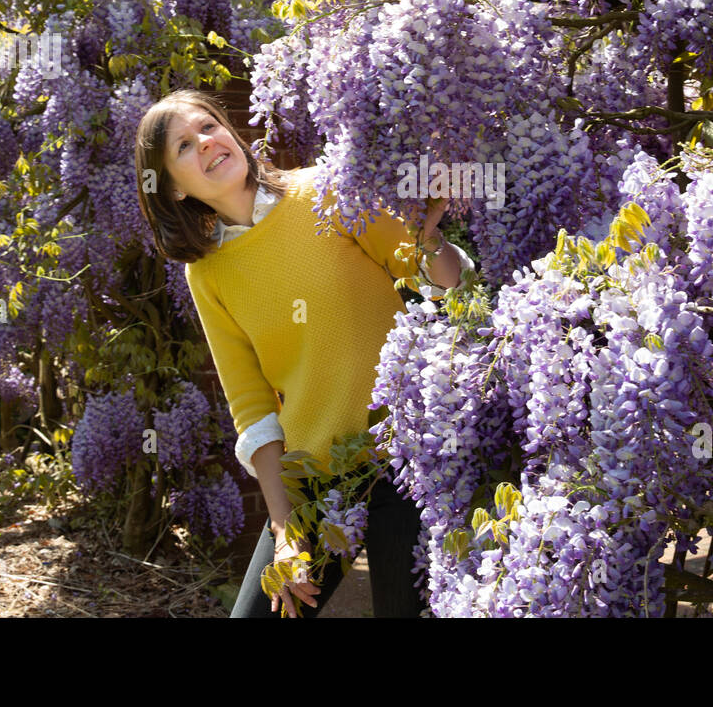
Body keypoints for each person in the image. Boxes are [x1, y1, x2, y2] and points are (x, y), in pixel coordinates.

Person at [134, 88, 474, 617]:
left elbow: (444, 285)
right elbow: (251, 405)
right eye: (182, 146)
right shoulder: (206, 273)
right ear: (173, 189)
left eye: (207, 126)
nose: (205, 143)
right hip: (316, 474)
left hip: (406, 456)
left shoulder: (326, 190)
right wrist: (283, 527)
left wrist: (428, 235)